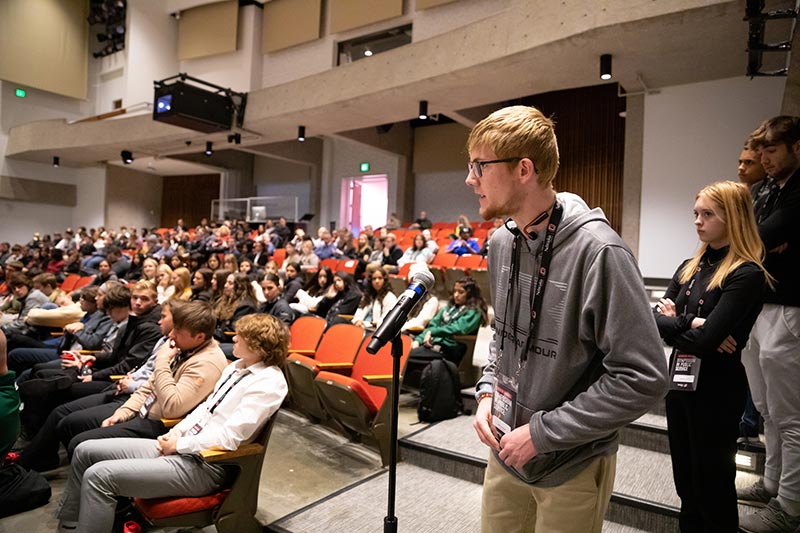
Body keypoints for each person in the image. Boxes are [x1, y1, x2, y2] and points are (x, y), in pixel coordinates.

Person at [467, 105, 668, 532]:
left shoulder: (600, 253)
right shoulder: (501, 244)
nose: (470, 179)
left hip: (570, 463)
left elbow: (643, 377)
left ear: (524, 169)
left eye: (480, 166)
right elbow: (503, 340)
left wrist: (543, 433)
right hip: (506, 452)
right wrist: (487, 392)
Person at [57, 313, 289, 533]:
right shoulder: (236, 368)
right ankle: (70, 525)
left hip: (207, 464)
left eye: (241, 335)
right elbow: (205, 410)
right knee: (85, 450)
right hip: (184, 448)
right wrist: (175, 434)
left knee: (99, 476)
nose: (234, 338)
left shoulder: (269, 383)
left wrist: (178, 446)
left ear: (259, 345)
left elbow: (229, 438)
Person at [654, 181, 768, 531]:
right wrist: (694, 324)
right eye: (695, 214)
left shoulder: (747, 273)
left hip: (717, 391)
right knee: (685, 482)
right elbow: (652, 320)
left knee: (713, 485)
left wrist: (679, 322)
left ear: (732, 218)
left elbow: (706, 341)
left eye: (707, 214)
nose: (698, 222)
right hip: (681, 384)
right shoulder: (690, 266)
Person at [737, 116, 800, 533]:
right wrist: (760, 242)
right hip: (760, 307)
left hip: (789, 308)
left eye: (772, 151)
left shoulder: (797, 191)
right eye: (761, 153)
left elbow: (756, 237)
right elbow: (751, 237)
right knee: (766, 410)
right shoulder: (764, 190)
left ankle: (791, 506)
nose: (764, 160)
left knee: (791, 416)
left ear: (797, 147)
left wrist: (759, 241)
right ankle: (773, 483)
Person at [408, 276, 487, 366]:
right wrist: (419, 340)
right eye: (455, 291)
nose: (456, 295)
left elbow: (457, 328)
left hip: (450, 348)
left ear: (470, 295)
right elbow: (433, 323)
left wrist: (432, 332)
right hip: (433, 344)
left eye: (461, 292)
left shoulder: (474, 312)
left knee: (407, 358)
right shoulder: (449, 307)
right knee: (404, 354)